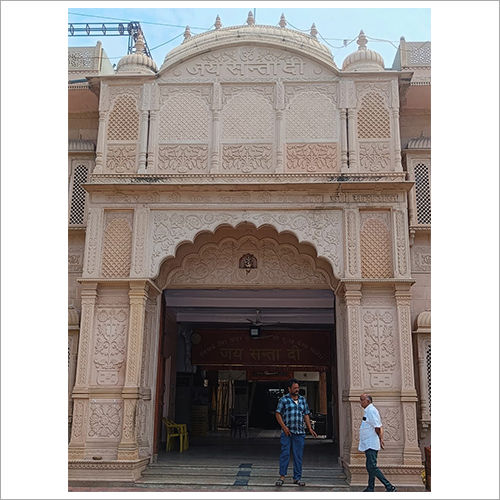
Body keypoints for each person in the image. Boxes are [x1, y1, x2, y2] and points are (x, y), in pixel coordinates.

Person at [275, 379, 317, 487]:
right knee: (285, 454)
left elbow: (306, 414)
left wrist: (310, 428)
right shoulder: (283, 400)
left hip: (300, 432)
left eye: (298, 388)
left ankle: (297, 478)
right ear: (289, 389)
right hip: (287, 432)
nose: (297, 390)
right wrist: (284, 427)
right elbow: (278, 414)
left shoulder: (303, 400)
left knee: (298, 456)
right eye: (294, 388)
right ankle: (282, 477)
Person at [359, 393, 397, 492]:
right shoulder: (368, 411)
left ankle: (389, 486)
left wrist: (380, 438)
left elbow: (377, 426)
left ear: (367, 401)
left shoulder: (371, 411)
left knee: (372, 466)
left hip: (371, 443)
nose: (360, 402)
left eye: (362, 400)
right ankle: (370, 487)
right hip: (368, 443)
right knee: (370, 467)